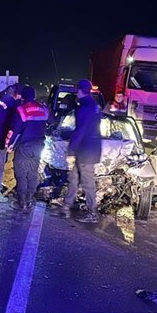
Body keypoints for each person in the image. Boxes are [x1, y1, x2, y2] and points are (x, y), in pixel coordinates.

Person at [62, 78, 102, 223]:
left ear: (79, 91)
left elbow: (81, 130)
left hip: (85, 151)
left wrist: (71, 150)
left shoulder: (84, 108)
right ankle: (67, 204)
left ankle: (92, 213)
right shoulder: (94, 105)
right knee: (73, 177)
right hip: (89, 149)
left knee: (87, 182)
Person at [8, 85, 49, 211]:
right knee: (32, 173)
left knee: (21, 173)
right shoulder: (43, 109)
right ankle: (30, 198)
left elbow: (15, 130)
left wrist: (9, 145)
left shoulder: (21, 110)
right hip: (38, 147)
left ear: (23, 97)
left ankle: (22, 200)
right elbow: (52, 121)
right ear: (35, 96)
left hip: (24, 147)